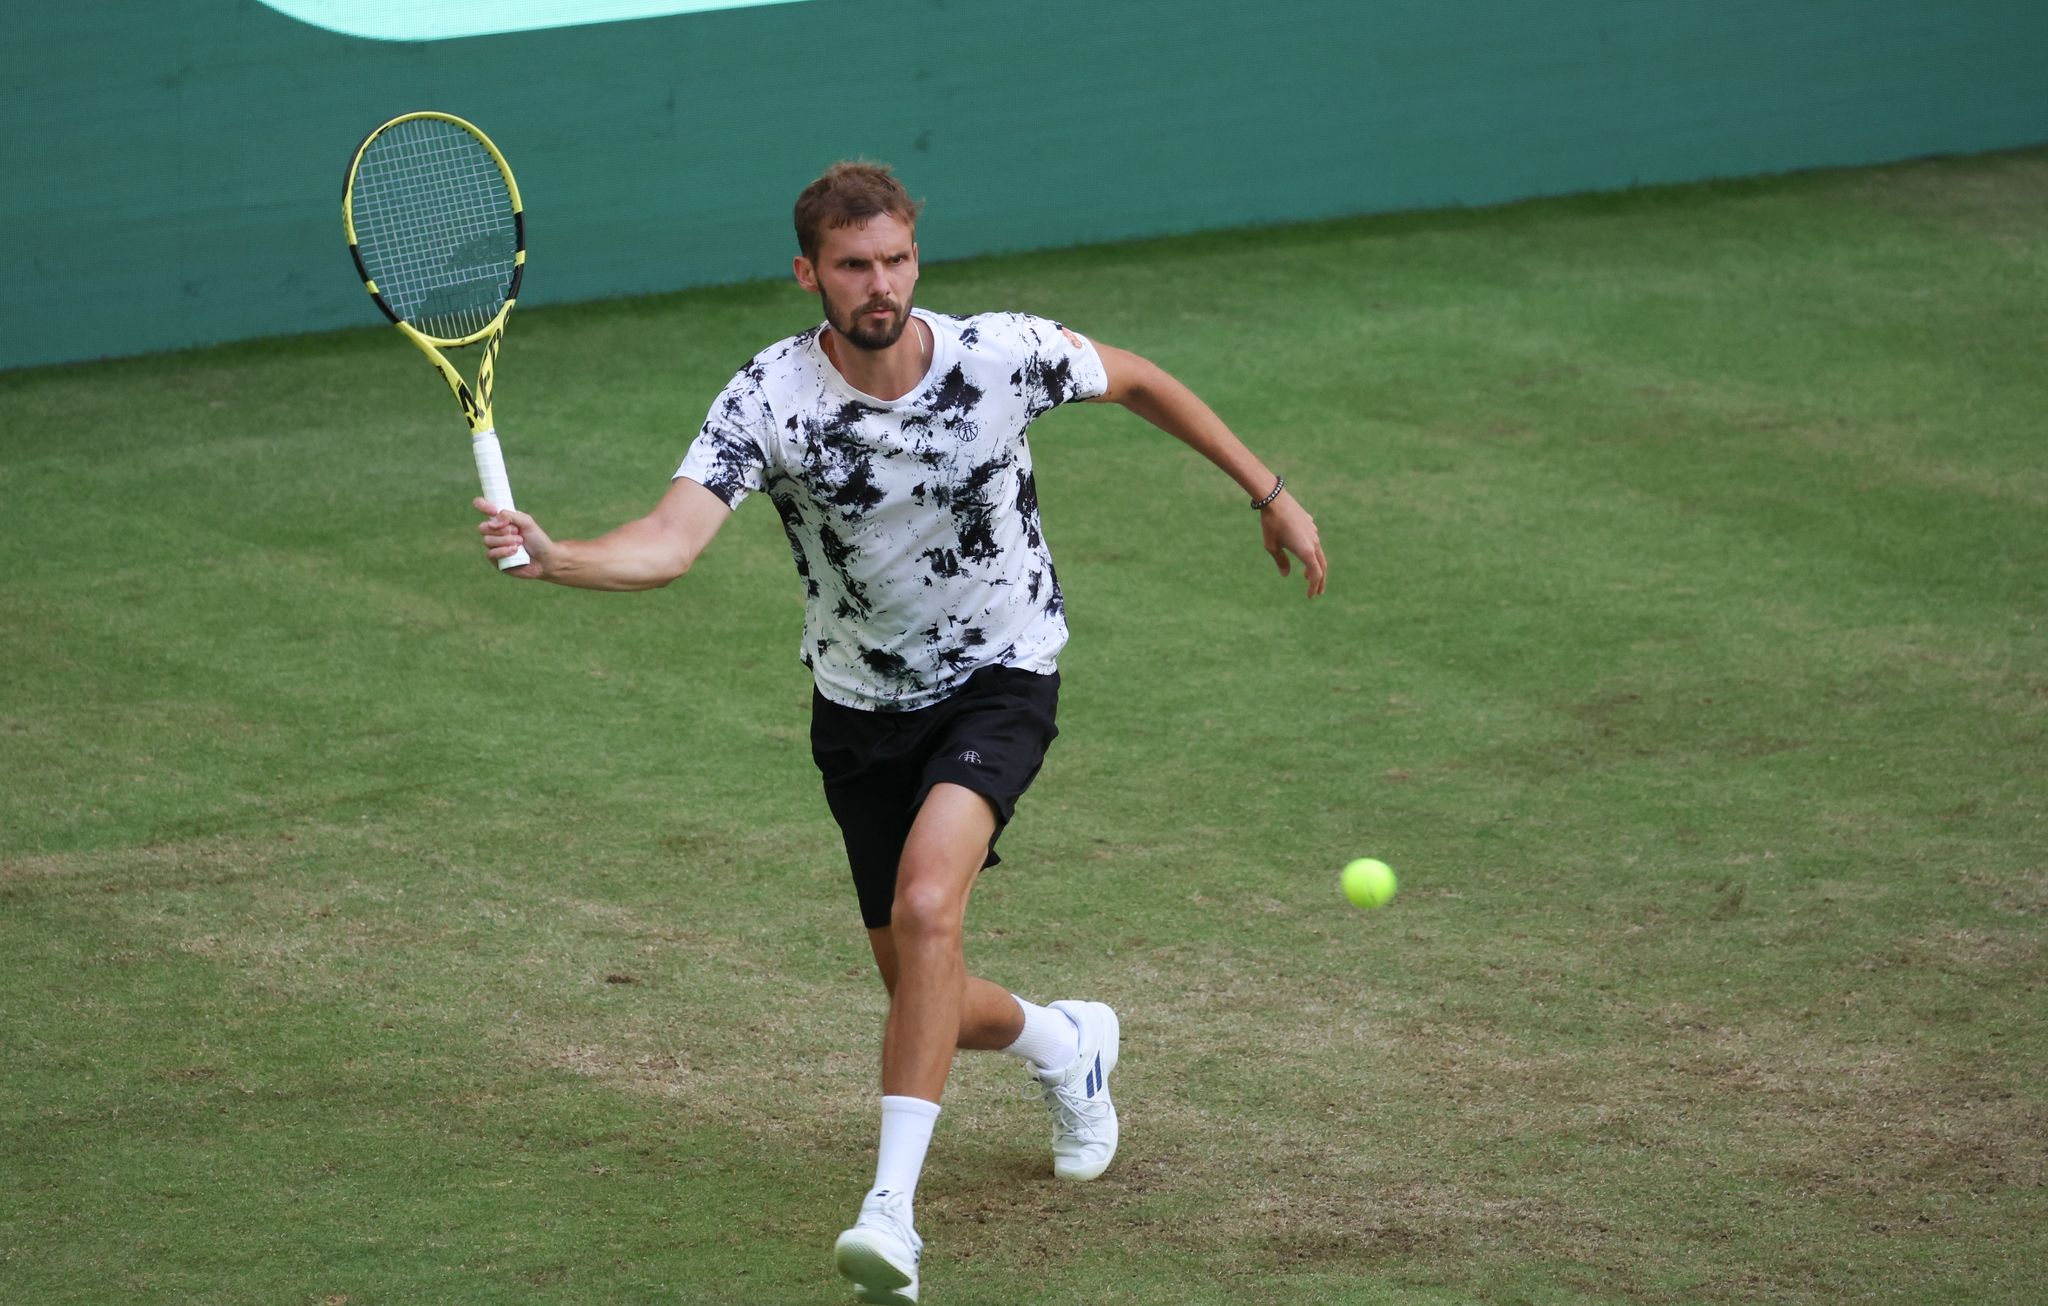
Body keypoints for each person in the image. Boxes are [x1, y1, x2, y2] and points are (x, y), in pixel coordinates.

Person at [475, 161, 1325, 1304]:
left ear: (913, 257)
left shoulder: (998, 353)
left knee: (931, 905)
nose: (878, 285)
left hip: (1001, 674)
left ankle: (890, 1215)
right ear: (806, 273)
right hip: (860, 709)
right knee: (920, 980)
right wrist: (559, 554)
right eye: (850, 266)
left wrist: (1266, 489)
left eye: (894, 260)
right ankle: (1063, 1041)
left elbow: (1136, 381)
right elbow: (670, 542)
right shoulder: (766, 400)